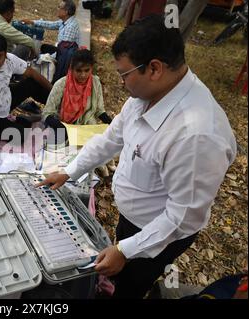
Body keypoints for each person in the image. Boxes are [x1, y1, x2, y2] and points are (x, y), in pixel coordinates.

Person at [36, 15, 237, 298]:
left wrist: (125, 250)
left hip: (162, 233)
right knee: (122, 273)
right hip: (136, 219)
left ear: (154, 68)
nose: (120, 83)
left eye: (123, 74)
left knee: (131, 285)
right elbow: (110, 139)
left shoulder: (197, 136)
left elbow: (181, 216)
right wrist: (70, 170)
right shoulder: (147, 95)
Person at [43, 49, 112, 143]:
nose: (83, 75)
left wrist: (111, 124)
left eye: (87, 70)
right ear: (71, 69)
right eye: (78, 71)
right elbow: (47, 113)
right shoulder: (61, 84)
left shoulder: (95, 83)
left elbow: (99, 111)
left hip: (86, 127)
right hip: (63, 126)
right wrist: (62, 129)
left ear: (91, 68)